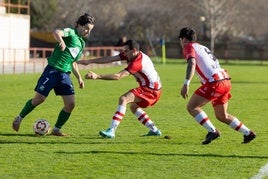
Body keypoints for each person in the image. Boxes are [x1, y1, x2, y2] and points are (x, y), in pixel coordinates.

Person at [12, 13, 96, 136]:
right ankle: (19, 118)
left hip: (64, 76)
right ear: (78, 25)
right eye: (86, 28)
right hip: (52, 71)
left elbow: (73, 62)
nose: (88, 32)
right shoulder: (71, 32)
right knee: (39, 99)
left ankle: (56, 129)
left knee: (70, 104)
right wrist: (61, 41)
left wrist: (79, 78)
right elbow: (56, 32)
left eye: (90, 30)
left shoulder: (81, 44)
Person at [178, 27, 256, 144]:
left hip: (215, 83)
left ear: (183, 39)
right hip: (225, 80)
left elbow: (192, 62)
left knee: (192, 107)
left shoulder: (188, 47)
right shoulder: (202, 47)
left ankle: (213, 131)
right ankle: (248, 133)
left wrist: (186, 83)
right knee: (222, 115)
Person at [78, 39, 162, 138]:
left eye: (126, 51)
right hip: (153, 89)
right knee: (133, 107)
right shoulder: (132, 54)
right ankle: (154, 130)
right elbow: (109, 58)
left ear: (134, 50)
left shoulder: (137, 62)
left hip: (151, 90)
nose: (124, 53)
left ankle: (112, 130)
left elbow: (119, 76)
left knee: (124, 99)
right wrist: (89, 61)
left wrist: (98, 76)